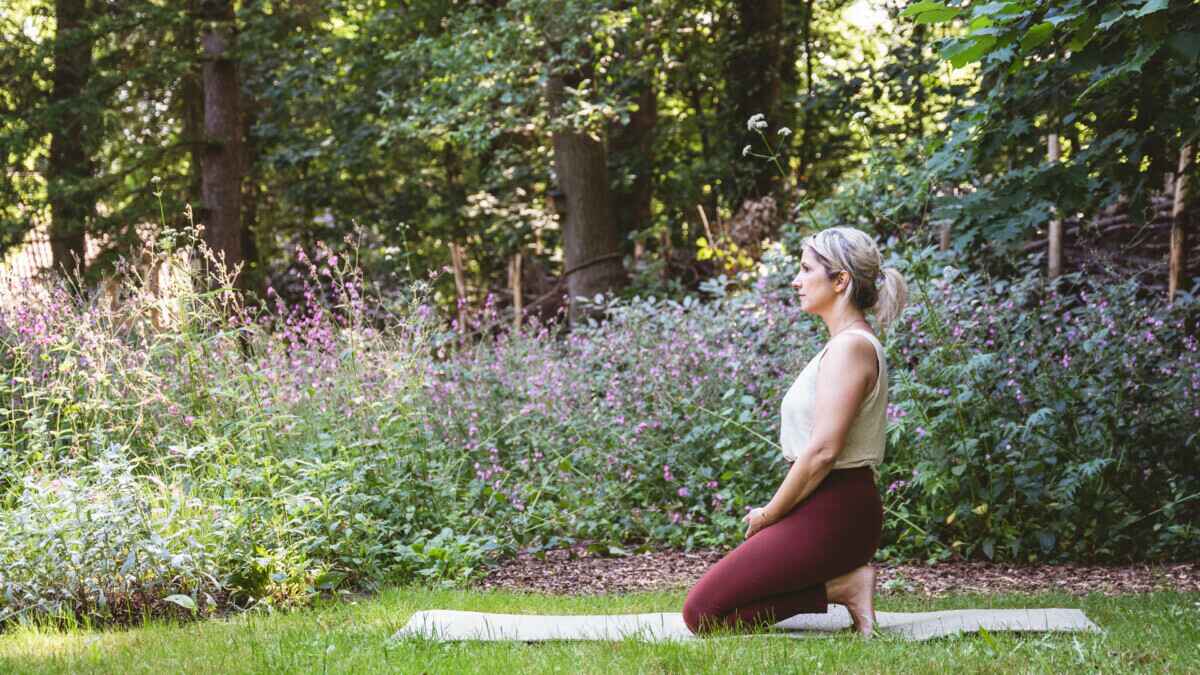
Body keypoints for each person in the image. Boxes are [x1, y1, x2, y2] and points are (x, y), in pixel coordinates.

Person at [682, 226, 909, 637]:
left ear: (840, 281)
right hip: (822, 506)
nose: (796, 280)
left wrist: (771, 513)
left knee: (703, 615)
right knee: (708, 613)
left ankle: (844, 586)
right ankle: (843, 585)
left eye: (806, 269)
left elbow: (823, 451)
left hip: (838, 511)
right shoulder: (841, 345)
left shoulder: (850, 348)